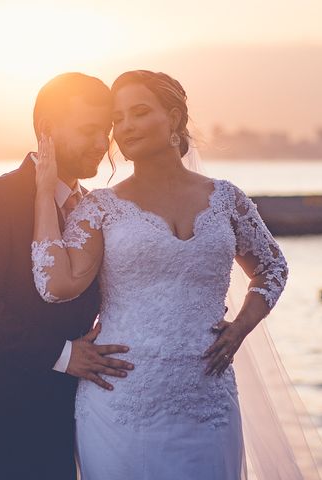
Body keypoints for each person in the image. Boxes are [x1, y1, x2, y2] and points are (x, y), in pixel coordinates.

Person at [30, 70, 290, 479]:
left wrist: (240, 328)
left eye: (139, 112)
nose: (126, 127)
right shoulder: (100, 208)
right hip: (121, 405)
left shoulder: (226, 199)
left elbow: (272, 267)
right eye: (118, 119)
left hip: (209, 403)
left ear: (174, 119)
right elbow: (55, 285)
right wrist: (44, 194)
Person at [0, 72, 133, 480]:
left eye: (105, 132)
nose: (101, 143)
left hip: (68, 427)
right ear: (46, 130)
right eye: (89, 130)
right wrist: (65, 354)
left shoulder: (93, 209)